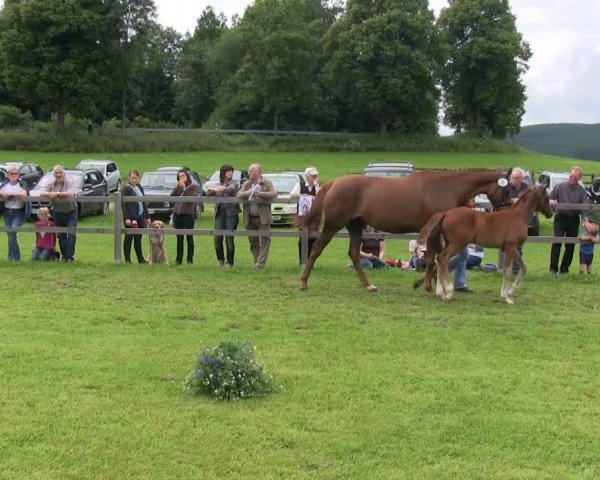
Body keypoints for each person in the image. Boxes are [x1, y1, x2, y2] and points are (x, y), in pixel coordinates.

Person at [548, 166, 590, 275]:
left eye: (575, 177)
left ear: (580, 178)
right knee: (557, 242)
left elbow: (584, 208)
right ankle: (553, 269)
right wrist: (551, 201)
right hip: (560, 218)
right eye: (571, 176)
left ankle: (564, 270)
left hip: (573, 220)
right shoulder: (558, 187)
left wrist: (586, 221)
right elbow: (550, 200)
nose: (572, 178)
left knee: (570, 245)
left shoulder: (582, 191)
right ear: (569, 175)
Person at [237, 163, 277, 271]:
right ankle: (257, 261)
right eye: (249, 171)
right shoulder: (247, 183)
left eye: (251, 171)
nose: (249, 173)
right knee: (253, 241)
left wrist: (260, 194)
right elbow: (239, 194)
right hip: (249, 218)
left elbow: (274, 193)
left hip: (263, 218)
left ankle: (260, 264)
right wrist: (248, 192)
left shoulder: (267, 183)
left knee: (265, 240)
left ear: (258, 173)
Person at [206, 164, 240, 267]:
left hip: (231, 214)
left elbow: (230, 189)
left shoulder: (234, 183)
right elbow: (208, 194)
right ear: (223, 173)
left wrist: (219, 189)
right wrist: (210, 191)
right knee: (217, 237)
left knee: (229, 238)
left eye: (231, 171)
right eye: (228, 171)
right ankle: (220, 260)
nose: (230, 173)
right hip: (219, 214)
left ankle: (229, 262)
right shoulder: (218, 183)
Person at [41, 165, 77, 263]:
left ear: (64, 174)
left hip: (71, 212)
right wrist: (50, 194)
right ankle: (64, 256)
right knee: (61, 235)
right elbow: (42, 193)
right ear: (54, 175)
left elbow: (71, 193)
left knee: (71, 234)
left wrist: (57, 194)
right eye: (56, 173)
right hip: (58, 213)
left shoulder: (69, 182)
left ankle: (70, 257)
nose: (58, 175)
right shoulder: (51, 184)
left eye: (60, 173)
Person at [290, 166, 321, 264]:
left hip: (315, 217)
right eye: (313, 175)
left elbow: (319, 196)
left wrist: (316, 186)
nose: (315, 177)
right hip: (303, 216)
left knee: (314, 239)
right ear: (307, 176)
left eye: (316, 175)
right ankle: (302, 261)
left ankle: (310, 262)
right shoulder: (300, 184)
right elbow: (292, 194)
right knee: (303, 239)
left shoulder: (318, 186)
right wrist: (305, 196)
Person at [170, 169, 200, 265]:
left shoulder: (193, 187)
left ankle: (189, 260)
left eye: (183, 176)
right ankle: (178, 260)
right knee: (179, 238)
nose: (181, 178)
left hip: (188, 215)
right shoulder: (178, 187)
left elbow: (191, 200)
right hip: (177, 215)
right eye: (179, 177)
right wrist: (177, 188)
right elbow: (171, 197)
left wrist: (184, 188)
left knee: (189, 237)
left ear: (187, 176)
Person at [0, 165, 30, 261]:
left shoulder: (22, 184)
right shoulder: (4, 184)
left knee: (12, 231)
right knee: (10, 235)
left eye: (15, 173)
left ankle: (16, 258)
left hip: (18, 212)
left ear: (18, 175)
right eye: (11, 173)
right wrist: (3, 194)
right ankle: (11, 258)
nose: (13, 175)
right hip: (7, 212)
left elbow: (24, 193)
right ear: (8, 175)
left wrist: (12, 194)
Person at [122, 169, 149, 264]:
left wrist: (147, 217)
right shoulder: (126, 189)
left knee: (138, 238)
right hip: (131, 217)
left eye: (135, 178)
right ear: (129, 178)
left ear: (138, 178)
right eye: (132, 178)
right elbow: (124, 205)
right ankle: (127, 259)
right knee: (129, 238)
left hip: (140, 216)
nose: (134, 179)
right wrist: (127, 218)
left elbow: (143, 203)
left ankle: (140, 259)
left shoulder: (140, 188)